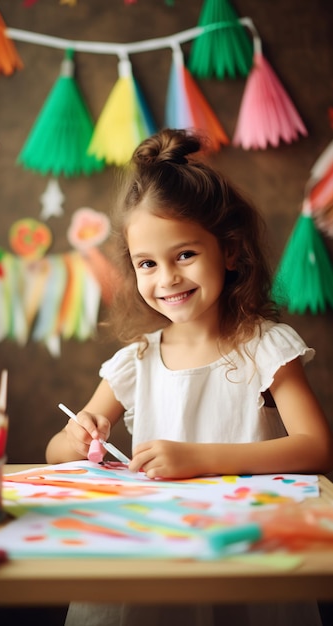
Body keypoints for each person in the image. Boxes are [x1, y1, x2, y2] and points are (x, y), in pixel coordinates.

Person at [46, 128, 333, 626]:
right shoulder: (135, 359)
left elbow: (316, 448)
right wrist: (78, 434)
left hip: (244, 553)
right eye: (147, 264)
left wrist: (198, 459)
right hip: (149, 557)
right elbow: (56, 455)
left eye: (185, 255)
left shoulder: (266, 346)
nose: (167, 279)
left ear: (230, 251)